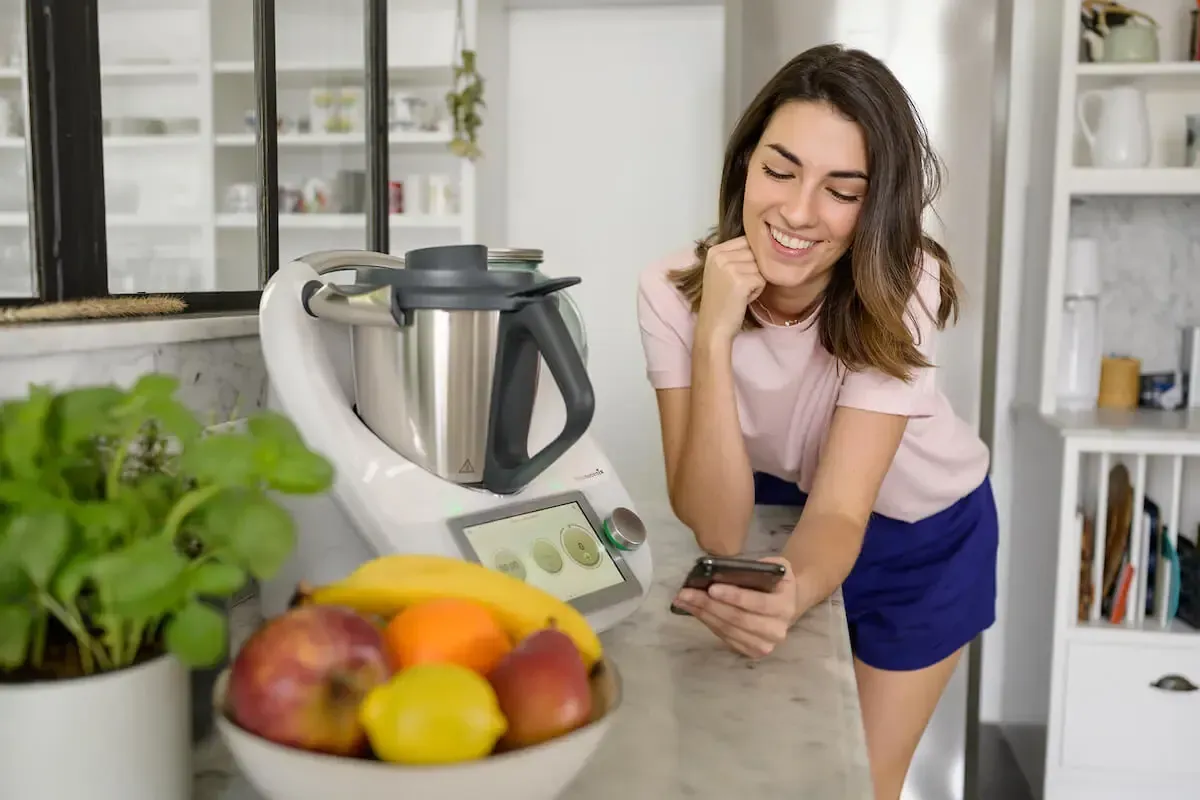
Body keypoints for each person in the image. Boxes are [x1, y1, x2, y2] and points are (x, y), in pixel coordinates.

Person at [635, 44, 997, 800]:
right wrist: (713, 334)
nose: (798, 212)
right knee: (776, 771)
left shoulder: (903, 282)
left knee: (860, 785)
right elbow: (720, 528)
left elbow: (844, 505)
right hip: (793, 517)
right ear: (743, 166)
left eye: (842, 189)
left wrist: (789, 595)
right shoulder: (670, 292)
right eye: (780, 170)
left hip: (926, 539)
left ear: (876, 203)